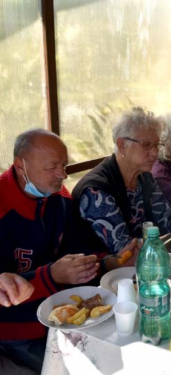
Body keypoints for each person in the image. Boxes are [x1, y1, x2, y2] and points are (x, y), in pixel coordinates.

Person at [0, 129, 99, 373]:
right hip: (16, 330)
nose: (63, 175)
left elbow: (82, 248)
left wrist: (110, 262)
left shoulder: (59, 199)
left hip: (64, 313)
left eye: (64, 165)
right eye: (52, 166)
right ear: (20, 166)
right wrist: (51, 275)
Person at [71, 108, 171, 272]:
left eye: (156, 145)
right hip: (101, 278)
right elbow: (127, 250)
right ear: (122, 145)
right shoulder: (96, 191)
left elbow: (168, 217)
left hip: (142, 266)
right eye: (146, 145)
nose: (154, 153)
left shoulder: (144, 177)